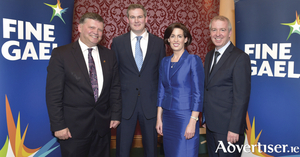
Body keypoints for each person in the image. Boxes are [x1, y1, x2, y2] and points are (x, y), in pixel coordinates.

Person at [46, 12, 121, 157]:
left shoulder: (109, 55)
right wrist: (58, 125)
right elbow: (53, 94)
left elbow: (115, 87)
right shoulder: (61, 54)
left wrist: (116, 114)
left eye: (100, 29)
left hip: (102, 128)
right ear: (80, 28)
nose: (96, 32)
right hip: (73, 130)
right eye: (91, 28)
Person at [111, 4, 166, 157]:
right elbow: (114, 76)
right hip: (125, 105)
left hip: (150, 106)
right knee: (122, 150)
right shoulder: (118, 42)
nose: (136, 20)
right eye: (132, 17)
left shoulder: (158, 43)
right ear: (127, 19)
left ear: (146, 18)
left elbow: (162, 77)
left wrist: (161, 109)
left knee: (151, 151)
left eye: (139, 16)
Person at [202, 15, 251, 157]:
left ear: (229, 33)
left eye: (222, 30)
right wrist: (205, 118)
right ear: (210, 32)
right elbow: (208, 88)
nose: (218, 34)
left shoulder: (240, 58)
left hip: (228, 128)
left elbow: (241, 97)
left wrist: (235, 129)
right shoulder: (209, 55)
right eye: (214, 30)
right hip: (211, 126)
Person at [156, 23, 205, 157]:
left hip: (185, 117)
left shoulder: (193, 60)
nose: (176, 39)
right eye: (172, 36)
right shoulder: (164, 62)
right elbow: (161, 91)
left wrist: (193, 121)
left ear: (186, 39)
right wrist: (158, 118)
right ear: (168, 40)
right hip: (167, 117)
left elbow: (198, 94)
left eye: (179, 36)